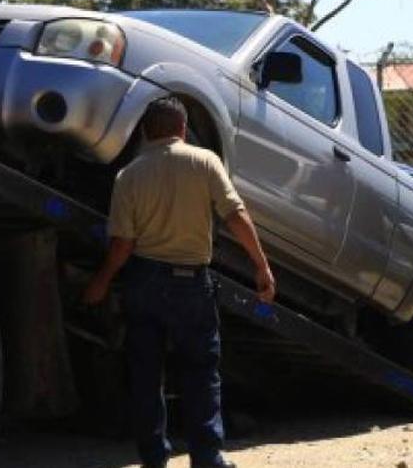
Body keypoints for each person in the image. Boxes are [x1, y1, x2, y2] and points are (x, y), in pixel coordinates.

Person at [82, 96, 276, 468]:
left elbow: (123, 245)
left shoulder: (130, 176)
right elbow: (236, 216)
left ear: (144, 132)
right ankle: (207, 457)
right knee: (201, 371)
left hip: (145, 281)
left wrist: (101, 281)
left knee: (145, 374)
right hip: (192, 284)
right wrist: (261, 266)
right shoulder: (205, 163)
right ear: (183, 129)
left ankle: (154, 457)